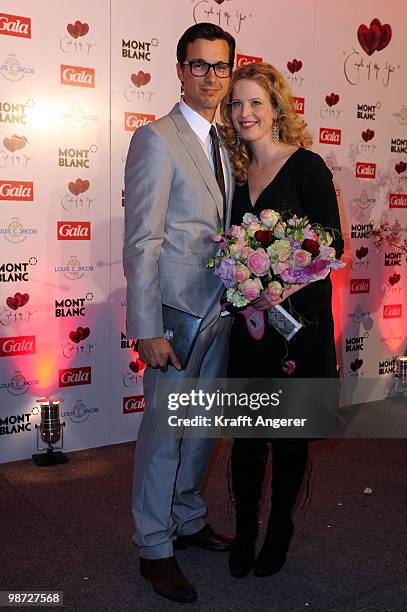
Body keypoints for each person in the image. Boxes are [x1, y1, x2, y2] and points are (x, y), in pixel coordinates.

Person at [123, 23, 236, 603]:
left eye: (220, 67)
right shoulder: (156, 139)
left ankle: (187, 520)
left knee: (200, 430)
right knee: (165, 433)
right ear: (180, 69)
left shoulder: (227, 142)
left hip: (222, 314)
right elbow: (142, 241)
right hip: (174, 317)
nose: (210, 77)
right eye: (199, 65)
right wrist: (145, 327)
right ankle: (153, 546)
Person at [220, 62, 344, 578]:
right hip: (249, 329)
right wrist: (246, 289)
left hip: (298, 328)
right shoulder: (234, 172)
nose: (244, 113)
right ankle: (245, 529)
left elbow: (333, 245)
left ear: (275, 109)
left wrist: (281, 290)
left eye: (254, 103)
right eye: (236, 104)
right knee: (248, 440)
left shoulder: (307, 166)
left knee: (290, 438)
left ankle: (279, 529)